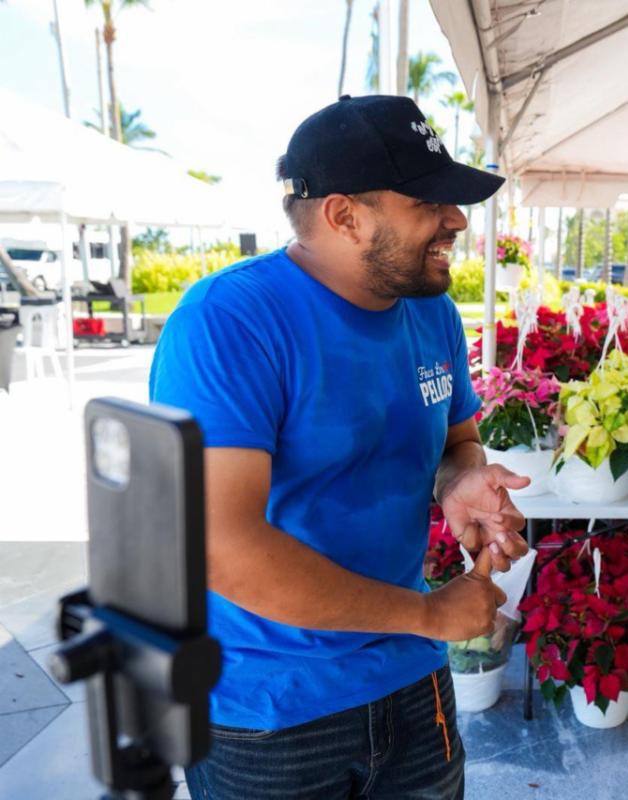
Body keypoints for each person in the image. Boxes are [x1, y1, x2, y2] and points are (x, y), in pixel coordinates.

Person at [150, 94, 530, 800]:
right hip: (268, 713)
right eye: (427, 200)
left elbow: (458, 439)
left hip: (411, 687)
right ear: (343, 215)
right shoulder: (229, 321)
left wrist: (460, 482)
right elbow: (222, 547)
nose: (456, 219)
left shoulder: (430, 310)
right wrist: (426, 615)